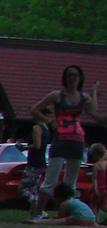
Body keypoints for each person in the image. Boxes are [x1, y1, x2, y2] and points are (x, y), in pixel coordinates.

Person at [30, 65, 100, 199]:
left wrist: (94, 92)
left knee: (71, 182)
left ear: (80, 78)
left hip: (77, 140)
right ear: (65, 78)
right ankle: (38, 212)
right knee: (51, 178)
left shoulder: (83, 97)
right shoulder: (57, 95)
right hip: (60, 140)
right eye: (70, 75)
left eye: (75, 75)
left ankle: (65, 210)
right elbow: (34, 109)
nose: (73, 78)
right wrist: (49, 121)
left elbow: (93, 111)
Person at [22, 116, 52, 218]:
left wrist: (24, 147)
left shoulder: (37, 128)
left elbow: (37, 145)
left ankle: (40, 209)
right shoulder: (46, 128)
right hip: (41, 162)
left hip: (33, 162)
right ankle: (34, 215)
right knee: (34, 190)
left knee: (23, 189)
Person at [31, 180, 97, 227]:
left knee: (55, 222)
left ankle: (36, 221)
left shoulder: (64, 204)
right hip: (91, 219)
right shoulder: (76, 201)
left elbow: (60, 218)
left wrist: (54, 218)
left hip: (79, 218)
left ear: (59, 198)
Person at [89, 142, 107, 220]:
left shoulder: (96, 165)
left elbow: (95, 178)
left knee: (93, 205)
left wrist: (94, 188)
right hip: (105, 188)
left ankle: (94, 219)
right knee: (104, 205)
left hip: (98, 188)